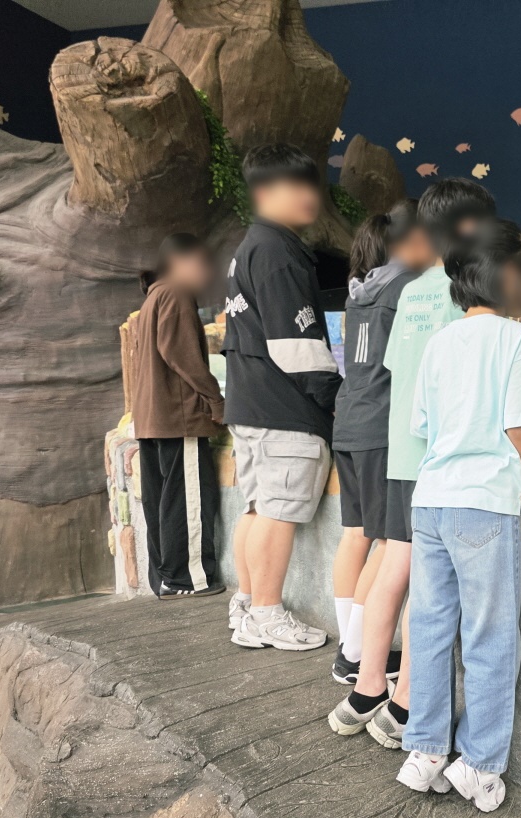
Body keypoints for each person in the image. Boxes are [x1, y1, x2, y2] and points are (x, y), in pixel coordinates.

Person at [327, 178, 496, 746]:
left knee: (393, 561)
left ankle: (366, 686)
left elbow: (399, 369)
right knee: (427, 582)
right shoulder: (460, 293)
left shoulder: (413, 289)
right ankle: (403, 705)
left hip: (400, 447)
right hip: (436, 457)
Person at [395, 219, 521, 812]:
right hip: (484, 501)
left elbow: (424, 424)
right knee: (490, 637)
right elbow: (517, 424)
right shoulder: (517, 340)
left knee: (431, 628)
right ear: (508, 276)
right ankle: (481, 765)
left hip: (431, 499)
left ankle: (426, 751)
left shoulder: (439, 342)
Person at [222, 144, 341, 651]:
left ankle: (248, 606)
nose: (309, 195)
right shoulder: (277, 252)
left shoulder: (251, 246)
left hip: (250, 403)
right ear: (265, 192)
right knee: (278, 511)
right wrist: (337, 399)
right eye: (296, 185)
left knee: (256, 507)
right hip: (283, 409)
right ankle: (268, 613)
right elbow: (296, 346)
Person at [328, 199, 434, 688]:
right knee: (390, 543)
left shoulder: (360, 291)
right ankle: (354, 653)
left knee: (357, 535)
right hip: (380, 427)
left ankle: (350, 649)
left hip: (349, 420)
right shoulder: (408, 288)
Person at [132, 233, 225, 599]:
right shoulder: (175, 294)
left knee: (162, 502)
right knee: (187, 500)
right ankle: (187, 578)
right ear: (181, 262)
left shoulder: (154, 297)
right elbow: (183, 357)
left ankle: (166, 578)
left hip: (154, 418)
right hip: (178, 416)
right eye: (201, 263)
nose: (206, 272)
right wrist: (216, 400)